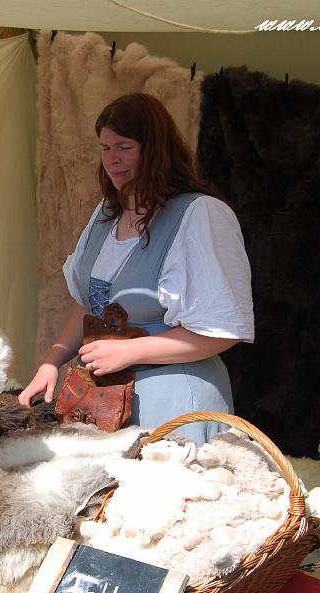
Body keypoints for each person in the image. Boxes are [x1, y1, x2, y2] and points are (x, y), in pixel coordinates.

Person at [19, 93, 254, 443]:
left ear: (155, 148)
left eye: (124, 146)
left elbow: (223, 332)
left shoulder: (199, 215)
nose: (112, 159)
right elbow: (89, 304)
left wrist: (129, 351)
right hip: (106, 403)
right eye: (105, 148)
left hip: (175, 406)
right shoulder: (106, 213)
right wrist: (52, 360)